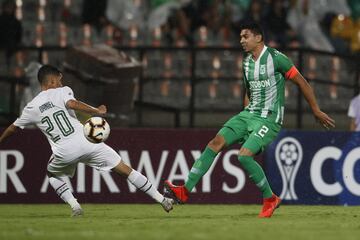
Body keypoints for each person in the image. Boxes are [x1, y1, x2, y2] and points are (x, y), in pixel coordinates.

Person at [164, 22, 335, 218]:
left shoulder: (276, 58)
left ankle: (270, 198)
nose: (241, 41)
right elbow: (249, 91)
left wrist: (316, 110)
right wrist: (245, 118)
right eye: (240, 37)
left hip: (269, 119)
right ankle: (184, 191)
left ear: (258, 38)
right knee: (215, 142)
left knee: (244, 156)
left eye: (245, 37)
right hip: (248, 115)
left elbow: (302, 82)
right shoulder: (246, 62)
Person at [0, 65, 174, 217]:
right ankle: (163, 200)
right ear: (52, 81)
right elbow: (73, 104)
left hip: (63, 152)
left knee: (53, 175)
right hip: (87, 141)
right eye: (59, 80)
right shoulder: (62, 91)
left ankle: (75, 206)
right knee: (126, 170)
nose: (61, 83)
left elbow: (13, 128)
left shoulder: (31, 107)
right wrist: (96, 111)